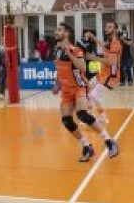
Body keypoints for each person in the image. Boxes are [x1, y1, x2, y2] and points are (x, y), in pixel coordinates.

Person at [52, 23, 119, 162]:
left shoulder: (75, 50)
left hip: (79, 87)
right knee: (66, 120)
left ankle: (109, 141)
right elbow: (59, 69)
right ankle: (87, 146)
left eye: (59, 30)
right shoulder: (56, 50)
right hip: (66, 90)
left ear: (67, 33)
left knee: (82, 114)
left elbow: (82, 67)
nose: (56, 32)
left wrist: (69, 54)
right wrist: (56, 84)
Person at [85, 22, 122, 125]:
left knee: (93, 95)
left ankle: (103, 117)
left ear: (115, 30)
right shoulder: (109, 41)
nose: (106, 28)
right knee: (88, 86)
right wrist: (93, 37)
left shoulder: (116, 43)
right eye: (106, 26)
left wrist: (94, 58)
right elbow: (103, 46)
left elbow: (111, 62)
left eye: (109, 27)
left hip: (111, 76)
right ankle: (90, 114)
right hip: (103, 73)